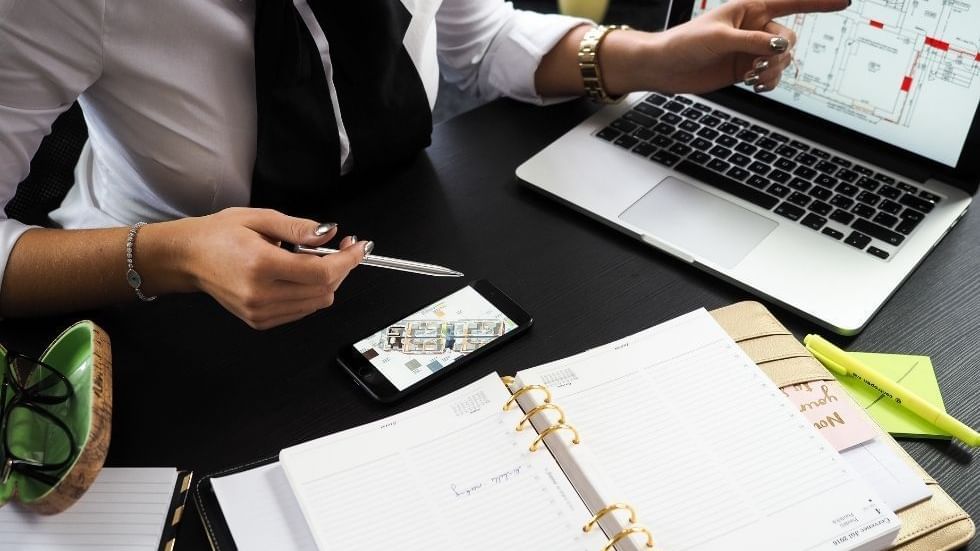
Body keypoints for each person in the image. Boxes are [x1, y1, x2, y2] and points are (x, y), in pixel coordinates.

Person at [0, 0, 846, 329]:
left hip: (398, 236)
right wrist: (171, 254)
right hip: (163, 314)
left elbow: (469, 41)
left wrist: (643, 57)